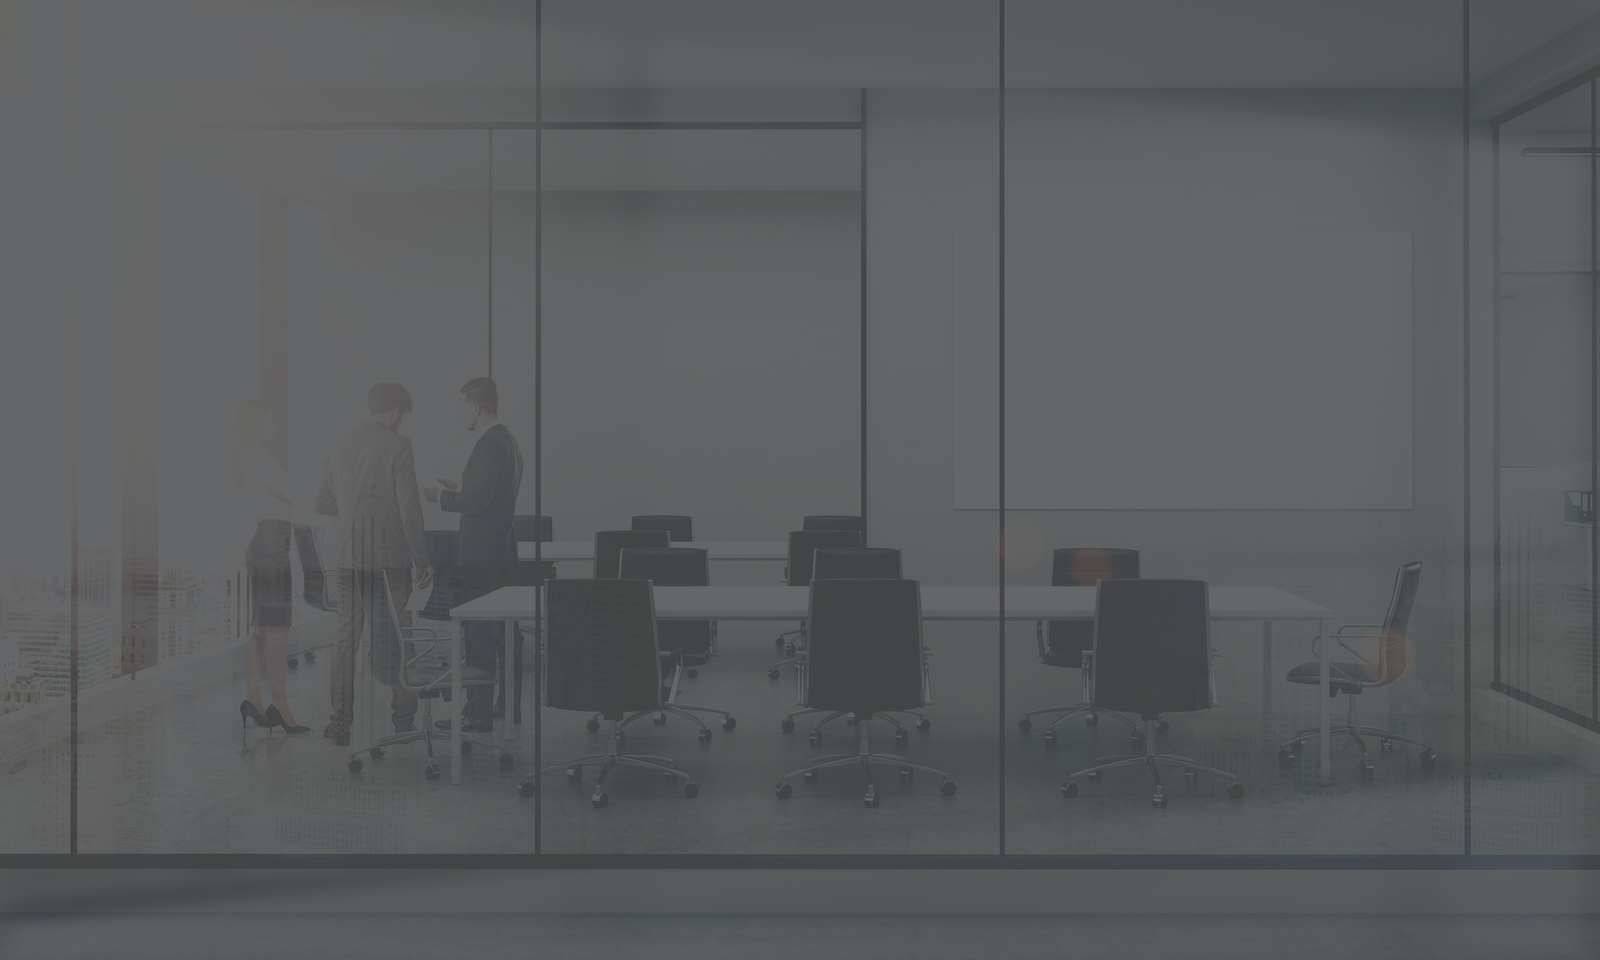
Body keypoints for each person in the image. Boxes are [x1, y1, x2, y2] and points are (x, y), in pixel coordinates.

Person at [315, 383, 433, 746]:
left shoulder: (339, 443)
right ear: (396, 411)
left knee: (344, 640)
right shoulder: (399, 446)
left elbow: (322, 503)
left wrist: (356, 509)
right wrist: (422, 559)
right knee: (401, 634)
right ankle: (403, 719)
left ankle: (340, 724)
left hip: (349, 557)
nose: (403, 422)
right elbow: (409, 509)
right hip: (389, 560)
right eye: (404, 415)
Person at [424, 377, 523, 733]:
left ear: (476, 408)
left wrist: (440, 497)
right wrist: (460, 487)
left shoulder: (487, 445)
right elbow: (487, 495)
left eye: (463, 408)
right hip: (500, 551)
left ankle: (478, 715)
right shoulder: (508, 441)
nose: (461, 415)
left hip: (481, 557)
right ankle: (506, 707)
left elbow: (479, 503)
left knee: (479, 635)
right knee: (503, 633)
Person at [232, 400, 309, 734]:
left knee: (264, 629)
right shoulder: (259, 457)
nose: (275, 427)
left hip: (265, 543)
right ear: (258, 423)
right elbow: (295, 493)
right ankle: (280, 705)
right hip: (271, 544)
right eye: (271, 421)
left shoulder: (249, 457)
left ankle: (254, 699)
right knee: (277, 631)